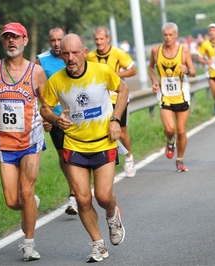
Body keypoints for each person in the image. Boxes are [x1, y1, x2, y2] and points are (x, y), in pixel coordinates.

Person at [40, 33, 128, 262]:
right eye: (65, 53)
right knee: (82, 199)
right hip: (74, 145)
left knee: (102, 196)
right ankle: (98, 244)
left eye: (75, 52)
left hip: (103, 143)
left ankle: (112, 215)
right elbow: (45, 107)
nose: (70, 58)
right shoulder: (56, 80)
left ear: (85, 52)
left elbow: (123, 90)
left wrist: (116, 119)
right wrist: (56, 119)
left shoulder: (100, 71)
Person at [0, 22, 46, 261]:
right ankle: (30, 205)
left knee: (26, 192)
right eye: (6, 37)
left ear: (25, 41)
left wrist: (49, 119)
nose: (11, 41)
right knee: (12, 201)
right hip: (4, 143)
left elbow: (46, 103)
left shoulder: (36, 72)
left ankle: (29, 245)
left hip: (30, 141)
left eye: (15, 37)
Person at [35, 26, 78, 215]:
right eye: (52, 40)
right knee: (65, 156)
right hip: (56, 117)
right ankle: (73, 194)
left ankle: (78, 191)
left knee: (79, 153)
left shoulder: (75, 55)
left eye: (59, 39)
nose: (56, 44)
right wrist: (45, 115)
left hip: (78, 115)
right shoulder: (41, 61)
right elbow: (36, 91)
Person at [86, 26, 137, 178]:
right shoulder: (90, 56)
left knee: (121, 132)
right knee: (103, 131)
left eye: (102, 39)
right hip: (100, 100)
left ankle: (129, 157)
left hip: (118, 98)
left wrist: (113, 75)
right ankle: (108, 162)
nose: (99, 42)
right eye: (96, 39)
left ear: (108, 38)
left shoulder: (117, 53)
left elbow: (133, 70)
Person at [148, 22, 196, 172]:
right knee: (170, 129)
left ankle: (180, 159)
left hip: (181, 96)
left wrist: (187, 70)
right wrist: (154, 81)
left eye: (170, 35)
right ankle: (170, 141)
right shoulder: (156, 51)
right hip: (165, 97)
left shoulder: (184, 51)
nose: (168, 38)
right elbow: (150, 67)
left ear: (176, 35)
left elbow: (193, 72)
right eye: (165, 35)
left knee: (181, 130)